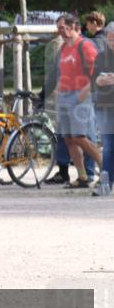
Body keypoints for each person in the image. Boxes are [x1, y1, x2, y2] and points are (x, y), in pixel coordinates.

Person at [54, 13, 103, 190]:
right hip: (65, 96)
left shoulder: (85, 45)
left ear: (73, 26)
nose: (59, 31)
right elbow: (64, 71)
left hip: (80, 96)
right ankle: (82, 177)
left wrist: (86, 90)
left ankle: (106, 169)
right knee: (69, 139)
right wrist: (58, 87)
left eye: (62, 27)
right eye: (58, 28)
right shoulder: (63, 48)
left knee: (81, 137)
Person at [92, 23, 114, 195]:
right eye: (109, 39)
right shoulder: (100, 57)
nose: (112, 42)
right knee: (107, 147)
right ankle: (105, 184)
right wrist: (99, 81)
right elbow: (93, 81)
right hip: (104, 106)